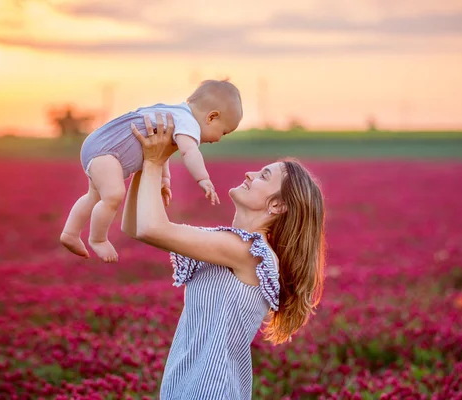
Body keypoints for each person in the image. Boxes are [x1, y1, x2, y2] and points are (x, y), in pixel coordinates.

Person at [122, 113, 326, 399]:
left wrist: (156, 161)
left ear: (278, 205)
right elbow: (134, 227)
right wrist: (145, 164)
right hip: (186, 388)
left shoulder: (249, 252)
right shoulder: (230, 245)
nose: (249, 174)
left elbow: (150, 228)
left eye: (263, 176)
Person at [60, 79, 243, 262]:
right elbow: (189, 152)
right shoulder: (189, 122)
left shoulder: (174, 114)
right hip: (108, 151)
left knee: (94, 196)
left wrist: (165, 179)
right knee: (113, 195)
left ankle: (70, 233)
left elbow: (162, 151)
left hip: (100, 146)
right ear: (211, 117)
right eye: (224, 132)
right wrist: (203, 178)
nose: (220, 139)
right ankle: (98, 239)